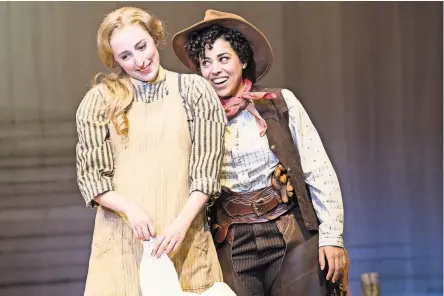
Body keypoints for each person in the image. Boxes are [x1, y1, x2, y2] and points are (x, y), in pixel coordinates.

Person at [172, 9, 350, 296]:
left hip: (290, 230)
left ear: (242, 60)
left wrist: (332, 236)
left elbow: (318, 169)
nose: (215, 70)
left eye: (223, 58)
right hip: (232, 238)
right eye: (205, 62)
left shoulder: (278, 103)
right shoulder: (195, 121)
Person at [75, 7, 227, 295]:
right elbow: (93, 179)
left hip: (184, 239)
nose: (139, 60)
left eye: (142, 46)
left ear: (154, 38)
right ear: (115, 60)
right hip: (122, 242)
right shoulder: (99, 100)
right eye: (126, 56)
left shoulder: (194, 91)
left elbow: (206, 175)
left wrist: (181, 226)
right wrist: (130, 210)